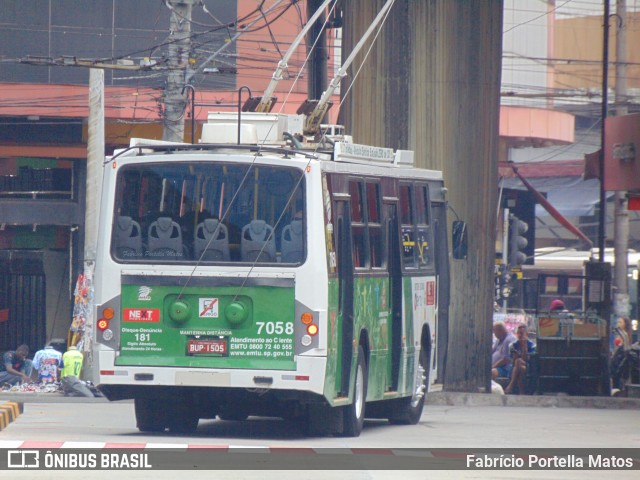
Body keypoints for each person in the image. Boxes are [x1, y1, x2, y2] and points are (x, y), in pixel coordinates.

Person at [505, 324, 536, 395]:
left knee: (520, 363)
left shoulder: (532, 346)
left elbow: (526, 360)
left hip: (527, 367)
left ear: (526, 334)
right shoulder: (513, 345)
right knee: (520, 366)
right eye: (518, 333)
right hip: (516, 367)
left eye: (522, 333)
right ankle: (521, 391)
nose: (520, 335)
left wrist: (524, 347)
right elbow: (513, 360)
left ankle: (511, 385)